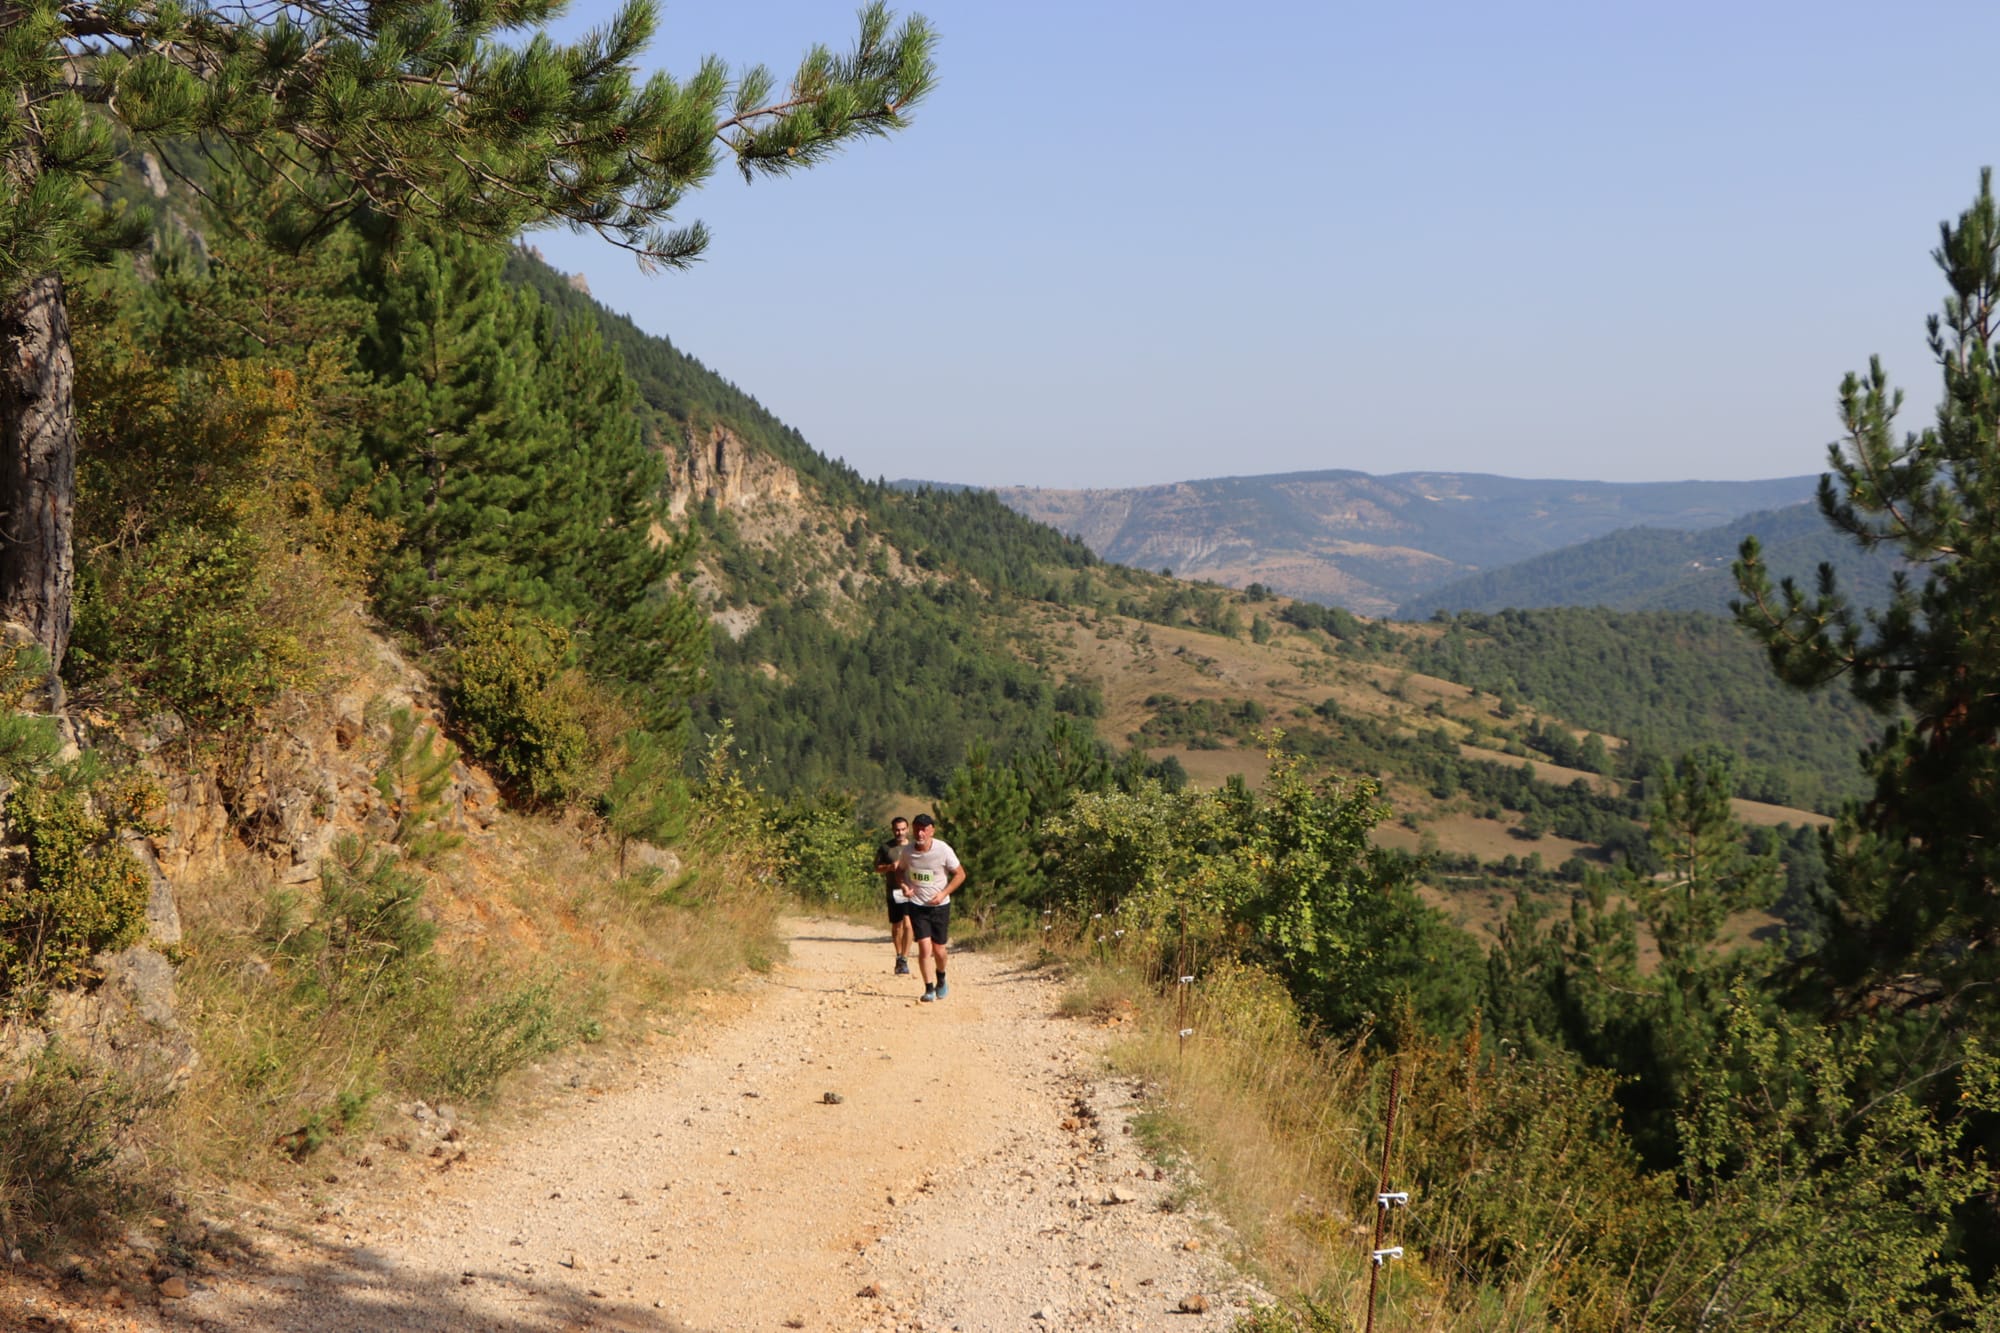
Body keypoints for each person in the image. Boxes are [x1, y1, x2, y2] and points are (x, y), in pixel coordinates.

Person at [896, 814, 964, 1002]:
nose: (920, 833)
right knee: (925, 949)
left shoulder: (943, 850)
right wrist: (904, 886)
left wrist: (943, 893)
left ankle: (941, 978)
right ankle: (928, 988)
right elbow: (900, 871)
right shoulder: (908, 851)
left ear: (932, 830)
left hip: (940, 906)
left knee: (939, 949)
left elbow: (960, 874)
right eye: (917, 828)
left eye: (924, 829)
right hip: (917, 905)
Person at [874, 816, 913, 975]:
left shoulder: (914, 847)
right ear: (893, 830)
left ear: (908, 829)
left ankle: (905, 958)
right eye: (897, 829)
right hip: (894, 890)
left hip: (912, 891)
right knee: (897, 925)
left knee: (909, 924)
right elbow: (877, 868)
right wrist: (890, 867)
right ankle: (898, 955)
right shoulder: (886, 848)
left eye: (903, 829)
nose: (900, 832)